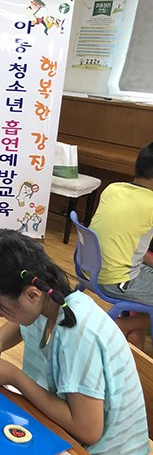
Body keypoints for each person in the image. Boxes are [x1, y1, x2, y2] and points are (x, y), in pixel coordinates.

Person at [0, 229, 148, 455]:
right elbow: (20, 324)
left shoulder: (77, 333)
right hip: (62, 431)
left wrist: (14, 377)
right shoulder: (49, 300)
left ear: (32, 295)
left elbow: (88, 431)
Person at [89, 142, 153, 350]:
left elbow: (126, 243)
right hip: (116, 281)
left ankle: (134, 332)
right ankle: (120, 325)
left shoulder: (113, 188)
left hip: (90, 270)